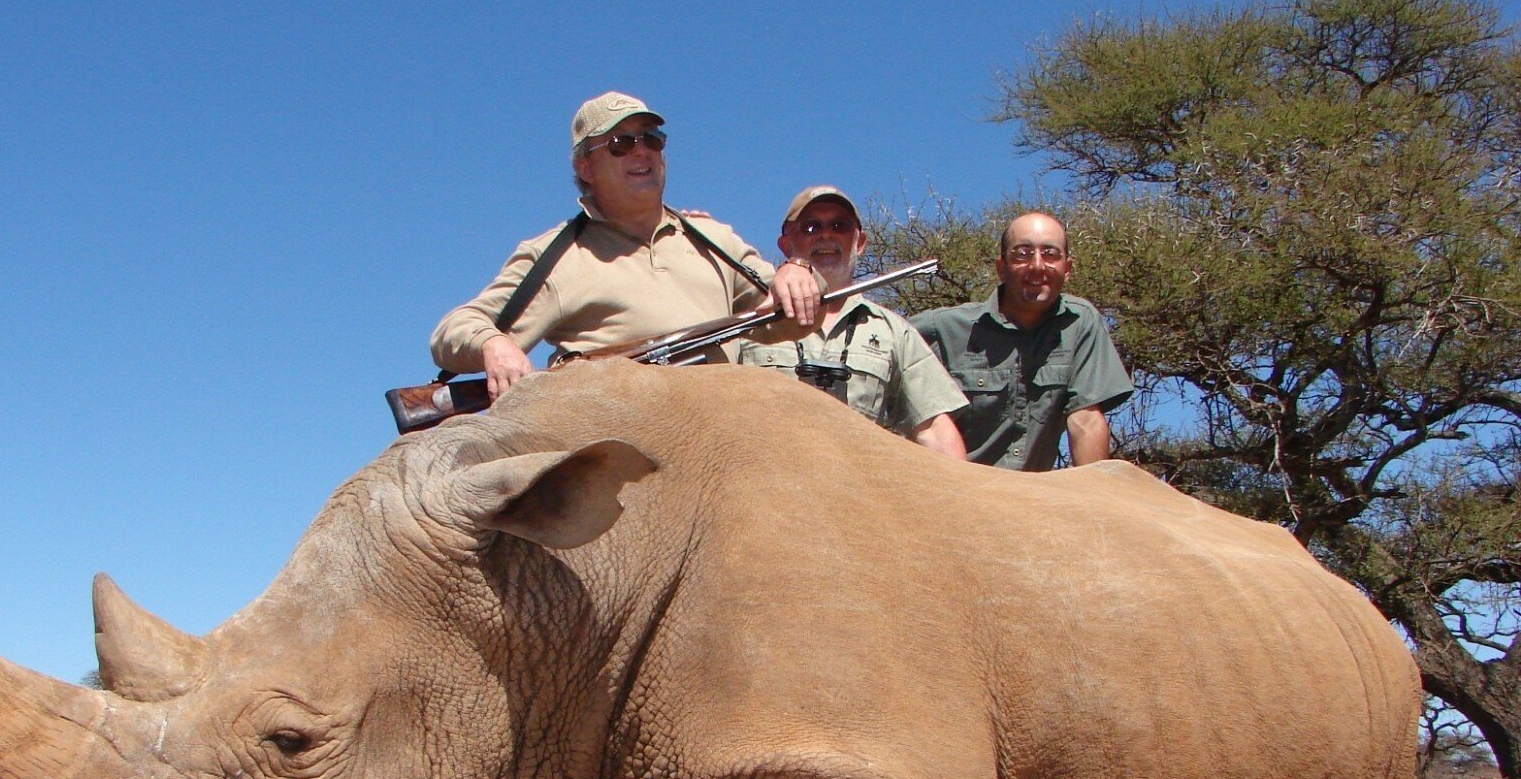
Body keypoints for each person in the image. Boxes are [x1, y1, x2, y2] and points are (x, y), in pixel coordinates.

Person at [430, 92, 825, 401]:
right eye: (621, 143)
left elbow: (790, 317)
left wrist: (798, 272)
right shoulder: (555, 255)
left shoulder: (713, 238)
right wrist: (494, 344)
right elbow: (454, 329)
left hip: (722, 438)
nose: (642, 151)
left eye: (652, 139)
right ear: (586, 168)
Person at [736, 187, 967, 457]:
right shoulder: (749, 321)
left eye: (840, 225)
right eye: (810, 227)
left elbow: (934, 429)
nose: (826, 234)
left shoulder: (893, 330)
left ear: (860, 242)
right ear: (786, 245)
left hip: (857, 491)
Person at [911, 212, 1131, 471]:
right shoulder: (943, 327)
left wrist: (1096, 504)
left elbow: (1086, 420)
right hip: (957, 492)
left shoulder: (1080, 322)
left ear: (1067, 269)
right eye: (1022, 254)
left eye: (1050, 254)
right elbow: (880, 343)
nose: (1037, 266)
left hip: (1031, 500)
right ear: (1001, 268)